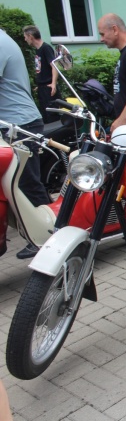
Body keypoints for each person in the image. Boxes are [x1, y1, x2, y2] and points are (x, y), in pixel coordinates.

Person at [0, 28, 51, 259]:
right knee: (18, 185)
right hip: (14, 123)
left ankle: (48, 237)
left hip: (20, 124)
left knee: (26, 183)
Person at [22, 25, 61, 123]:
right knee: (45, 116)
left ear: (31, 36)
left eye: (25, 37)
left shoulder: (46, 48)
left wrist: (53, 83)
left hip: (49, 89)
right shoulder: (38, 50)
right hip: (42, 88)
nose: (25, 39)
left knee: (52, 117)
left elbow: (54, 66)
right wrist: (40, 84)